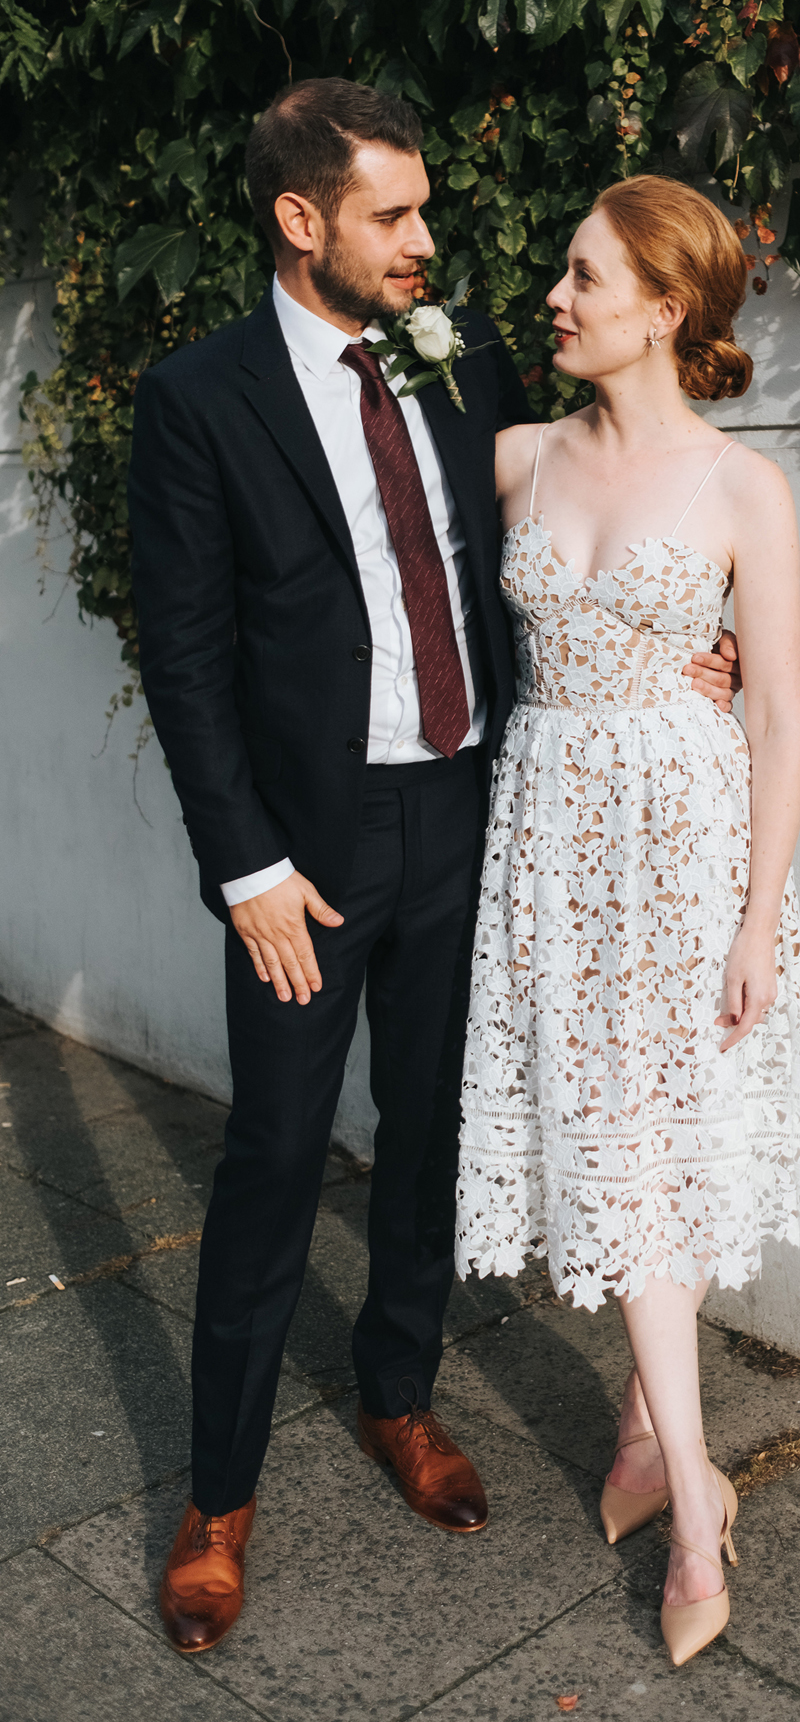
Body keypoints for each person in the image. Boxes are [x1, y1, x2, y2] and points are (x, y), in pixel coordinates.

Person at [128, 83, 738, 1655]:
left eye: (422, 210)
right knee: (272, 1155)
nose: (425, 241)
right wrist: (243, 866)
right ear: (301, 220)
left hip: (471, 815)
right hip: (305, 863)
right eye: (392, 215)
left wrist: (689, 658)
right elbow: (185, 659)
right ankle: (216, 1499)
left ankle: (398, 1396)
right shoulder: (201, 399)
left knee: (428, 1132)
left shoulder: (448, 363)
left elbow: (549, 556)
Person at [454, 174, 800, 1667]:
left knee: (652, 1150)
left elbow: (785, 718)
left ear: (663, 310)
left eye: (582, 277)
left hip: (684, 852)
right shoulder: (510, 456)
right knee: (615, 1148)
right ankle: (678, 1468)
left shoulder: (746, 489)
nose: (552, 297)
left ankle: (679, 1485)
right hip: (551, 839)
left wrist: (757, 918)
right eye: (561, 272)